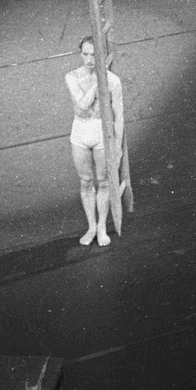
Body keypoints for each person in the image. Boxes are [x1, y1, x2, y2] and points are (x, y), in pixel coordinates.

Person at [65, 36, 125, 247]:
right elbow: (82, 106)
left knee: (104, 181)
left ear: (102, 56)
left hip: (101, 131)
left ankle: (101, 227)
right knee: (86, 182)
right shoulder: (72, 76)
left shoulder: (113, 81)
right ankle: (91, 226)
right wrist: (97, 82)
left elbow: (119, 116)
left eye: (94, 55)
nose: (89, 59)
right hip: (81, 131)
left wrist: (117, 148)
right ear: (80, 54)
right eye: (85, 54)